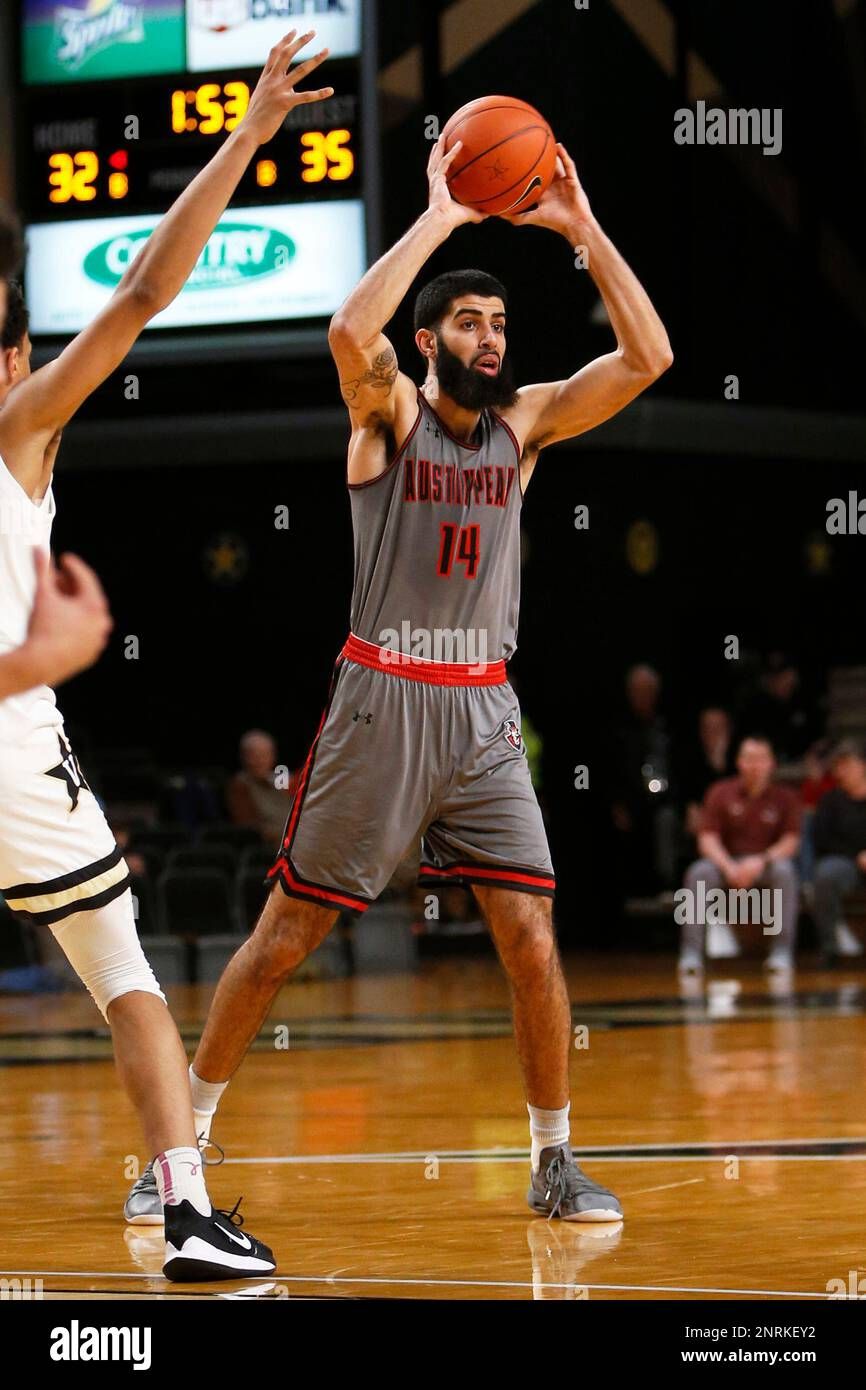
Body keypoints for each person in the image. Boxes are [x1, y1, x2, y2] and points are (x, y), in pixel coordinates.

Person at [145, 135, 673, 1224]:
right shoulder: (386, 417)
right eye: (469, 324)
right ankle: (178, 1153)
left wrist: (580, 230)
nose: (490, 339)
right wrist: (440, 210)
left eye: (500, 324)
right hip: (380, 701)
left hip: (483, 709)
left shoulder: (522, 427)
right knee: (284, 939)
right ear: (428, 340)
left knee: (529, 938)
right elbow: (348, 331)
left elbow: (649, 357)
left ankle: (550, 1161)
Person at [0, 30, 333, 1277]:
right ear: (22, 358)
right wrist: (246, 136)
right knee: (123, 969)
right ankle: (185, 1204)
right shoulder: (20, 425)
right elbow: (142, 291)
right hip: (12, 749)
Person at [678, 737, 801, 976]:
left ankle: (782, 953)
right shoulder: (720, 792)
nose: (755, 766)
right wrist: (728, 867)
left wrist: (760, 861)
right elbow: (707, 839)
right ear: (739, 762)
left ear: (771, 763)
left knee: (786, 872)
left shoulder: (786, 797)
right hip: (726, 863)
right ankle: (691, 955)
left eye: (761, 759)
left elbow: (791, 841)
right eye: (749, 759)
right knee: (698, 872)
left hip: (765, 864)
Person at [812, 740, 866, 964]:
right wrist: (857, 855)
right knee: (825, 874)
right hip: (846, 863)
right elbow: (822, 840)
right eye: (838, 766)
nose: (842, 771)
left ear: (863, 765)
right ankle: (829, 948)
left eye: (848, 765)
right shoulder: (830, 800)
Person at [227, 729, 298, 847]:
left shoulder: (285, 779)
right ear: (243, 758)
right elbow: (248, 825)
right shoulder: (239, 784)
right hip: (267, 845)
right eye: (253, 755)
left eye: (264, 755)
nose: (259, 760)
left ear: (273, 756)